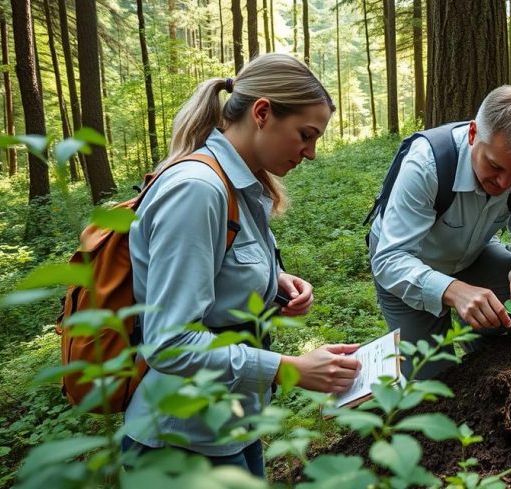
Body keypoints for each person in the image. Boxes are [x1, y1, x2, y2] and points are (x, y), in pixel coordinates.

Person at [123, 53, 361, 476]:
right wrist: (290, 370)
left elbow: (217, 267)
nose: (311, 153)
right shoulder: (197, 190)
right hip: (182, 443)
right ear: (263, 112)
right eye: (306, 135)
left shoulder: (241, 185)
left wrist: (276, 283)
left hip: (229, 426)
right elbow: (169, 343)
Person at [369, 85, 511, 380]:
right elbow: (390, 259)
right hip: (407, 268)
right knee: (434, 384)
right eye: (494, 166)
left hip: (472, 256)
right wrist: (453, 291)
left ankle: (480, 343)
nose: (503, 183)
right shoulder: (427, 164)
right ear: (473, 134)